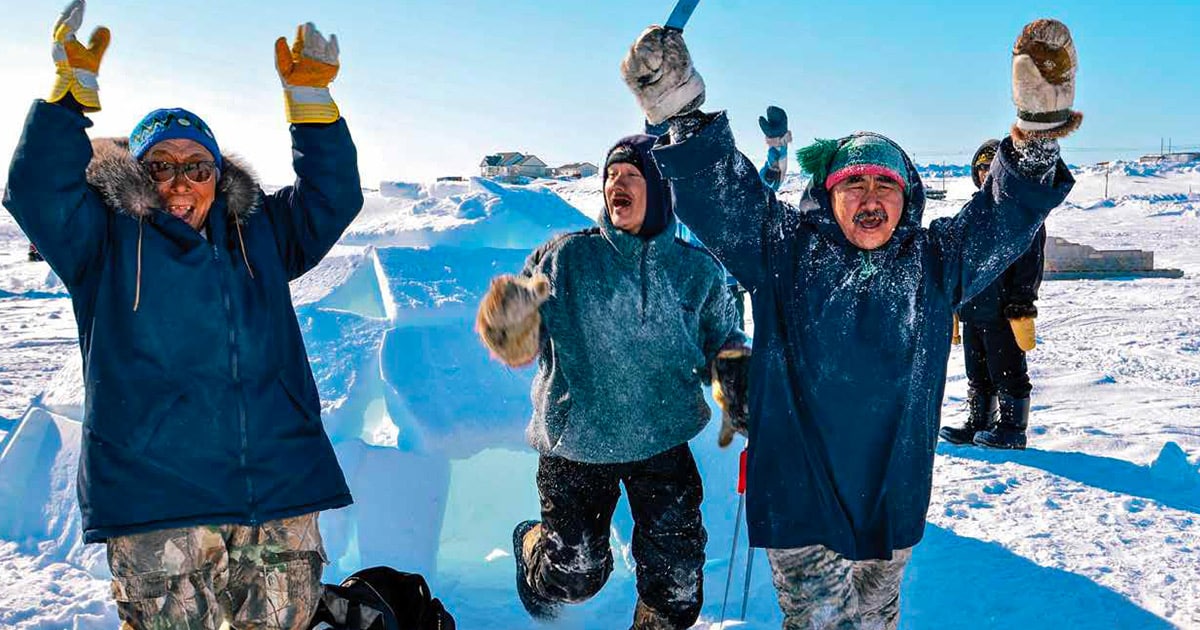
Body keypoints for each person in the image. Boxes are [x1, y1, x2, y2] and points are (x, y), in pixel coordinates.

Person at [620, 18, 1080, 629]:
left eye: (886, 184)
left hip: (893, 494)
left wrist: (1037, 138)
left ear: (908, 197)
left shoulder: (937, 262)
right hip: (801, 494)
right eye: (853, 183)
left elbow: (1004, 214)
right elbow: (719, 192)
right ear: (828, 195)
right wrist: (678, 109)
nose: (870, 197)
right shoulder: (782, 250)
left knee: (876, 617)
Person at [3, 2, 362, 628]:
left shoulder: (262, 232)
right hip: (158, 497)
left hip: (276, 488)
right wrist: (68, 100)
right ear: (139, 173)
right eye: (160, 167)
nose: (178, 183)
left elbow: (334, 198)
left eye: (196, 167)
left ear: (217, 176)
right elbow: (34, 191)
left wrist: (309, 105)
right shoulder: (102, 241)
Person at [475, 134, 748, 629]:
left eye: (631, 176)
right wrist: (508, 322)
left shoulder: (697, 271)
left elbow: (724, 339)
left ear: (661, 189)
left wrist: (736, 375)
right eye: (610, 177)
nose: (615, 185)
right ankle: (532, 544)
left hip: (663, 438)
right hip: (576, 443)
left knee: (678, 593)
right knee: (573, 578)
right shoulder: (566, 259)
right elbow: (521, 337)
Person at [940, 139, 1047, 450]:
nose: (987, 174)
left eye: (993, 168)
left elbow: (1031, 261)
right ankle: (980, 422)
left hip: (1005, 309)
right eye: (982, 168)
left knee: (1008, 369)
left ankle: (1013, 428)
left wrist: (1022, 301)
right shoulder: (974, 210)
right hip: (974, 307)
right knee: (977, 371)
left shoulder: (1023, 212)